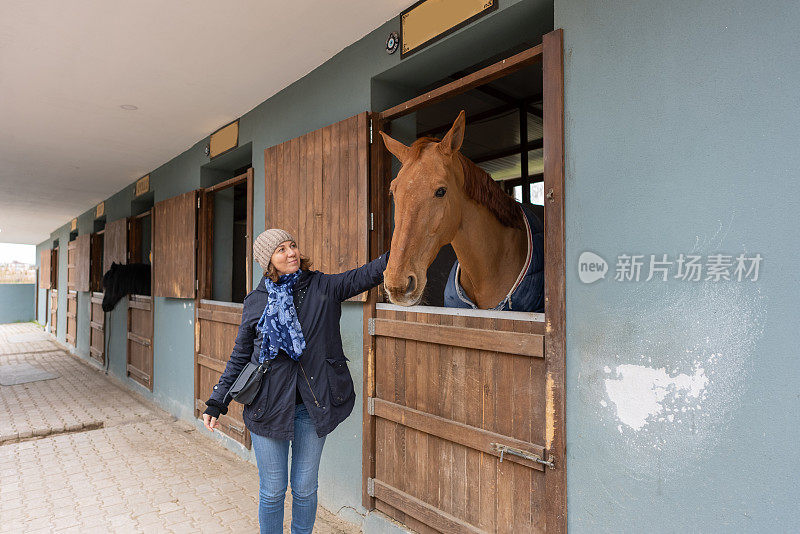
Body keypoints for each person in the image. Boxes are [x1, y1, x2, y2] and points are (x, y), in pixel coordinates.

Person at [202, 228, 389, 534]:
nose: (291, 253)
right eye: (281, 250)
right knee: (273, 490)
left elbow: (364, 275)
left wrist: (403, 249)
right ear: (268, 262)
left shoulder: (323, 286)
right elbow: (240, 356)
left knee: (304, 488)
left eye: (293, 246)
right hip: (268, 406)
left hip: (312, 406)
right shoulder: (257, 300)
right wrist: (217, 401)